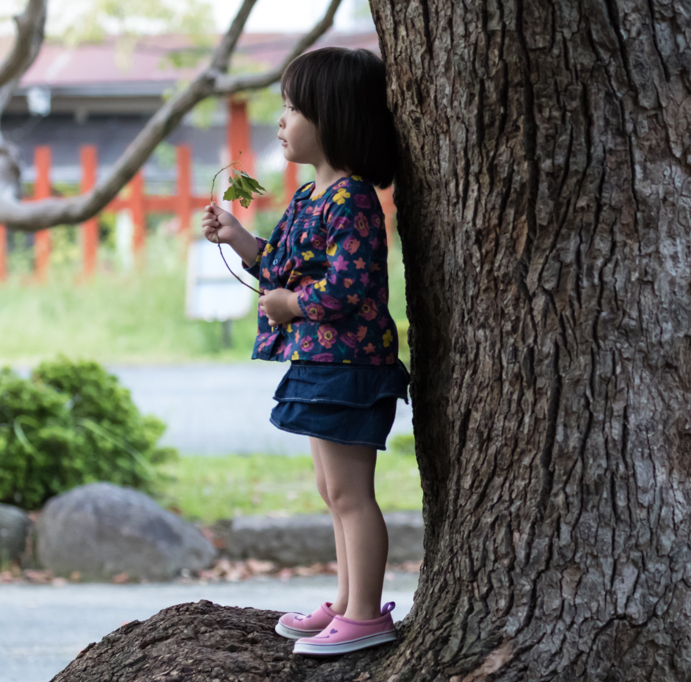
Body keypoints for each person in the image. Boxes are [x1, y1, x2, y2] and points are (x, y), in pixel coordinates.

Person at [201, 46, 407, 657]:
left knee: (351, 494)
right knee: (331, 491)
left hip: (351, 367)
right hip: (320, 364)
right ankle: (347, 602)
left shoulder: (353, 199)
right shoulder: (309, 198)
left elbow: (348, 284)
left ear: (335, 117)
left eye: (293, 108)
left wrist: (292, 305)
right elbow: (285, 265)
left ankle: (366, 613)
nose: (281, 120)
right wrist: (239, 238)